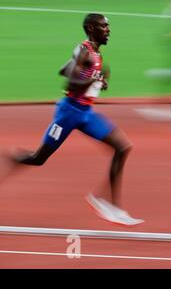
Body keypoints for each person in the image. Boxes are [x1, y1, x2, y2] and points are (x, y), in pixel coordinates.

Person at [2, 13, 143, 226]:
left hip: (85, 114)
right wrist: (93, 79)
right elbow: (71, 85)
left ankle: (109, 204)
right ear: (91, 29)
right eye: (104, 27)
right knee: (38, 159)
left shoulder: (94, 53)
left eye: (108, 26)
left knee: (123, 147)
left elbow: (64, 70)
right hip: (69, 114)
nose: (109, 30)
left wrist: (97, 81)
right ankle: (10, 158)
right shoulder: (85, 51)